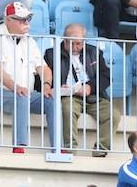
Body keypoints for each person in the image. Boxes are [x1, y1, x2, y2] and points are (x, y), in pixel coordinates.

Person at [0, 1, 59, 152]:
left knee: (51, 99)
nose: (26, 23)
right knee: (21, 96)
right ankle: (19, 146)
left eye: (28, 19)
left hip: (24, 93)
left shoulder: (29, 39)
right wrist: (16, 87)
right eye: (22, 20)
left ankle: (58, 148)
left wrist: (46, 86)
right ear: (9, 20)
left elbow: (44, 68)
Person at [44, 24, 115, 157]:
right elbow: (45, 77)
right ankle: (70, 149)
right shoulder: (51, 54)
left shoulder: (94, 52)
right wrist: (59, 86)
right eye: (72, 44)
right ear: (64, 40)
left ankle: (100, 150)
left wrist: (90, 87)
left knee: (113, 115)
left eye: (79, 44)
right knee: (67, 109)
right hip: (69, 96)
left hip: (93, 96)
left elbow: (106, 76)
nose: (76, 47)